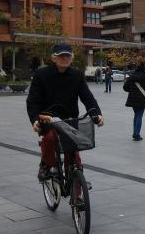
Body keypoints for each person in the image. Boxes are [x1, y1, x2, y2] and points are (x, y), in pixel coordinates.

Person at [26, 44, 104, 184]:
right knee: (50, 139)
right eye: (61, 56)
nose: (64, 58)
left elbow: (87, 97)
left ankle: (78, 194)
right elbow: (33, 100)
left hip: (69, 119)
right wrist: (35, 120)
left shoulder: (77, 75)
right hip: (47, 118)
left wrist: (96, 114)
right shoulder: (41, 75)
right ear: (53, 58)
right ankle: (47, 164)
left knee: (74, 155)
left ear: (72, 58)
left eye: (67, 56)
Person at [123, 61, 145, 141]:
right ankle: (137, 134)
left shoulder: (132, 76)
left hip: (132, 98)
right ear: (144, 68)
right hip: (142, 99)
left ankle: (135, 133)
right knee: (139, 115)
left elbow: (125, 88)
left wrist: (132, 90)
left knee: (136, 115)